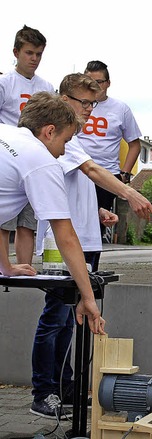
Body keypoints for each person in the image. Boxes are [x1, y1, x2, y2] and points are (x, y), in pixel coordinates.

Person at [29, 74, 152, 419]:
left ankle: (65, 384)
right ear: (63, 98)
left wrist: (96, 211)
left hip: (84, 238)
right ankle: (43, 391)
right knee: (54, 318)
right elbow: (94, 172)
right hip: (61, 242)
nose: (88, 109)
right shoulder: (62, 137)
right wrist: (129, 192)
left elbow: (76, 186)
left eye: (93, 103)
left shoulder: (76, 139)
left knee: (73, 319)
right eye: (82, 101)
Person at [0, 92, 107, 417]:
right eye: (66, 139)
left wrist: (5, 267)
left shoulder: (6, 134)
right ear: (48, 131)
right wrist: (88, 297)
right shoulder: (41, 160)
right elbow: (66, 235)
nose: (64, 150)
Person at [0, 25, 55, 266]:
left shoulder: (47, 86)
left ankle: (25, 268)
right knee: (4, 221)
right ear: (16, 52)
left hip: (34, 159)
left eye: (39, 54)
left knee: (28, 222)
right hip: (9, 158)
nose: (34, 59)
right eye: (29, 53)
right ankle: (4, 267)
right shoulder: (5, 83)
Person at [80, 60, 143, 240]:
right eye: (89, 81)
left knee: (98, 222)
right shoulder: (77, 104)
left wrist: (125, 173)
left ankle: (91, 265)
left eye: (99, 81)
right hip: (78, 170)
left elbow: (134, 144)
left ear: (108, 83)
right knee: (75, 219)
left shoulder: (120, 109)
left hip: (106, 174)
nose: (95, 86)